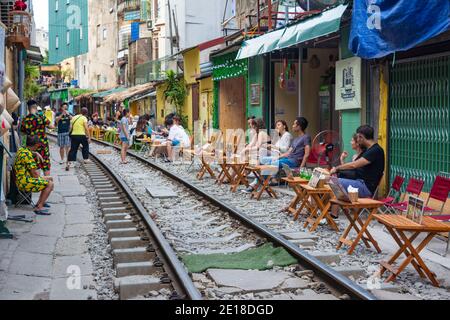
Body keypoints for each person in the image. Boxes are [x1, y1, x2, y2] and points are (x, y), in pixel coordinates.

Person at [330, 125, 385, 199]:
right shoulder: (369, 149)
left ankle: (341, 208)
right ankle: (347, 209)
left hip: (365, 187)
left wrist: (337, 168)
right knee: (333, 181)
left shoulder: (375, 150)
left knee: (334, 182)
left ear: (361, 137)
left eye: (358, 137)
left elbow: (354, 165)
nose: (357, 140)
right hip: (359, 183)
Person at [14, 136, 54, 215]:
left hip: (20, 179)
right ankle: (39, 207)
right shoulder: (28, 156)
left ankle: (40, 202)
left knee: (49, 179)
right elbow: (35, 176)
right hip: (24, 182)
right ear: (36, 145)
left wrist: (35, 153)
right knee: (50, 184)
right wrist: (46, 177)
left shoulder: (22, 150)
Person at [21, 100, 55, 176]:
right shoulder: (41, 116)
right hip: (43, 144)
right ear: (35, 107)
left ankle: (38, 184)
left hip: (32, 146)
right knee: (45, 163)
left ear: (28, 108)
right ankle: (47, 182)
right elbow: (51, 126)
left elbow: (22, 133)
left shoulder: (25, 119)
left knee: (35, 164)